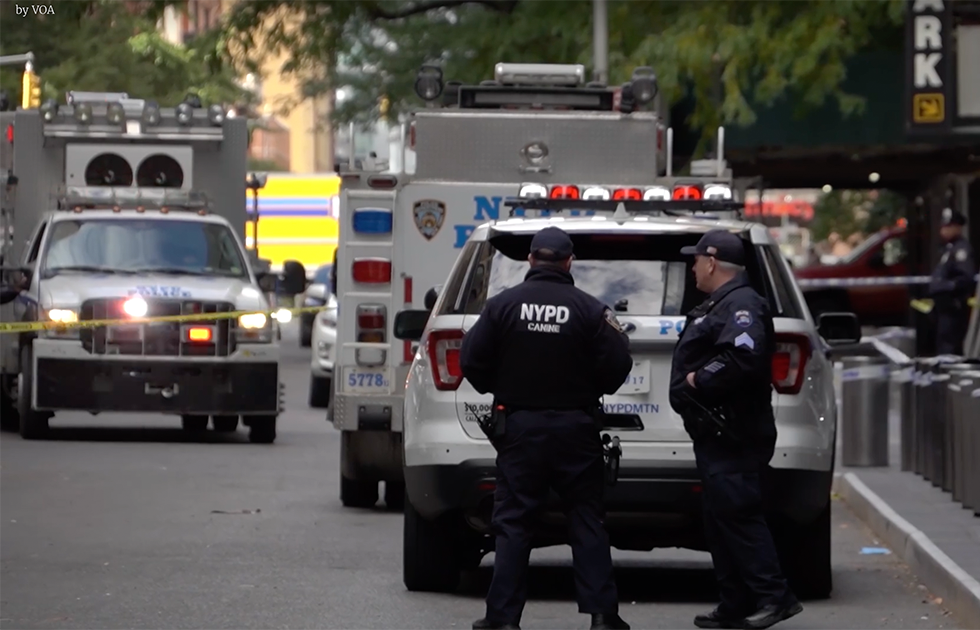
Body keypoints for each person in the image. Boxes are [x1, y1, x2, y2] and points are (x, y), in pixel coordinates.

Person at [459, 226, 633, 630]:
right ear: (569, 262)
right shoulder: (590, 309)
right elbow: (618, 366)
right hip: (577, 427)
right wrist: (591, 389)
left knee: (515, 523)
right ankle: (603, 616)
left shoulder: (503, 306)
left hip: (520, 427)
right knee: (586, 520)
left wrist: (497, 384)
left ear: (531, 260)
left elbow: (472, 361)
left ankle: (502, 619)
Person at [669, 229, 802, 630]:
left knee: (739, 513)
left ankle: (774, 597)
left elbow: (741, 357)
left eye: (696, 260)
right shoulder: (721, 303)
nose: (693, 267)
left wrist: (697, 380)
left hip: (735, 429)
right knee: (720, 517)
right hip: (717, 432)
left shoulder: (741, 304)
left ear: (711, 262)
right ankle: (735, 602)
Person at [927, 209, 976, 356]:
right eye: (943, 226)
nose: (943, 230)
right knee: (942, 344)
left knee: (949, 348)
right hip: (943, 308)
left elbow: (966, 278)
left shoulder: (962, 250)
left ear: (957, 227)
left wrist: (943, 287)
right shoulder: (948, 249)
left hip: (953, 306)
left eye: (948, 226)